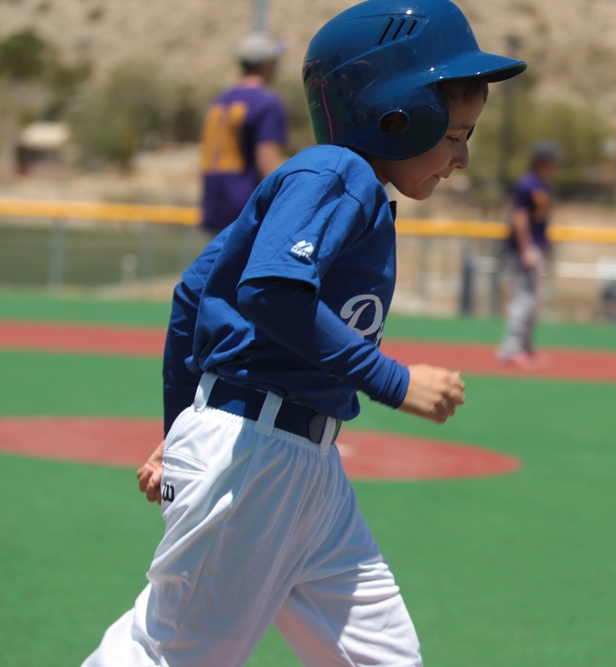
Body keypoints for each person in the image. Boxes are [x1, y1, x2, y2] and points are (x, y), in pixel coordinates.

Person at [82, 1, 526, 665]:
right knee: (170, 653)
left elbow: (192, 294)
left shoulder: (345, 186)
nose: (461, 157)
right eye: (456, 134)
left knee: (383, 655)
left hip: (304, 464)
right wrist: (394, 380)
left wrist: (176, 435)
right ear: (397, 113)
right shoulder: (338, 173)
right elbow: (273, 289)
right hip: (255, 455)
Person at [198, 31, 289, 236]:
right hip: (243, 209)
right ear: (266, 63)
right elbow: (267, 165)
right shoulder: (266, 102)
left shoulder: (220, 100)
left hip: (214, 204)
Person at [496, 140, 561, 368]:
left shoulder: (543, 186)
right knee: (523, 299)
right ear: (541, 162)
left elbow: (541, 221)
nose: (555, 166)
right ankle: (510, 349)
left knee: (532, 301)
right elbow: (520, 217)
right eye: (552, 162)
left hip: (537, 246)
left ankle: (525, 347)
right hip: (523, 248)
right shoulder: (527, 184)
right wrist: (526, 249)